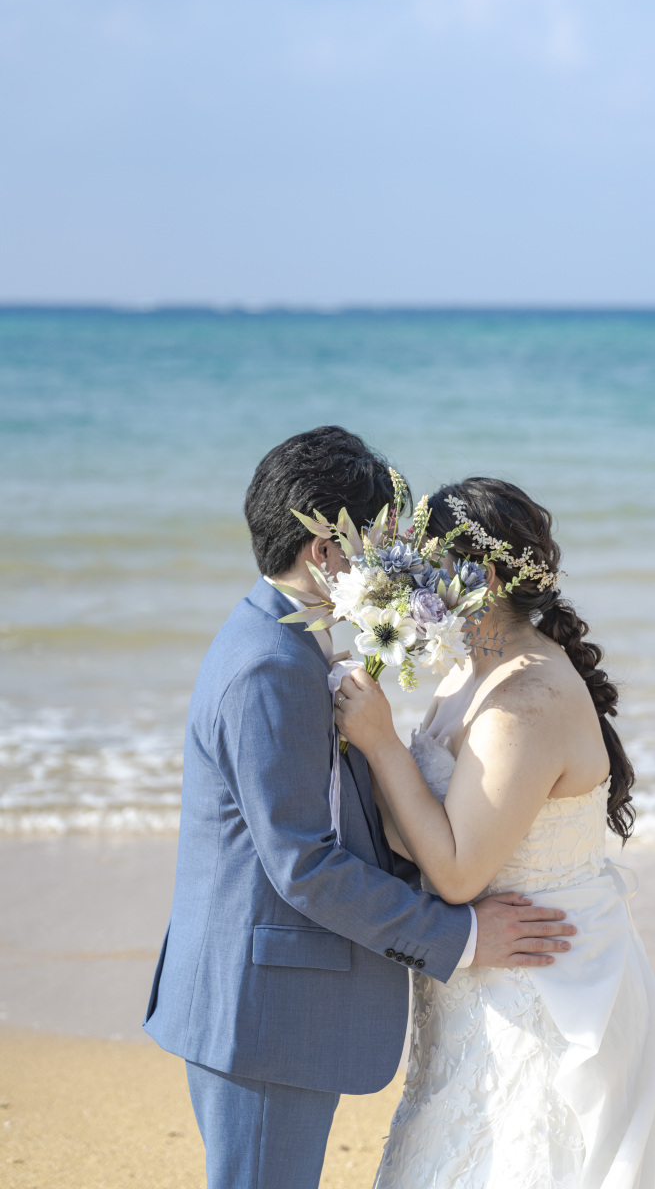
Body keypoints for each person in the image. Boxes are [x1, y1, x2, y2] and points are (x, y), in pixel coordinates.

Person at [143, 433, 576, 1189]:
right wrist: (462, 936)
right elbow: (303, 866)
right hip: (263, 1017)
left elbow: (339, 817)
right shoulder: (268, 669)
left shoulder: (289, 643)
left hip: (264, 1005)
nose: (386, 563)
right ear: (322, 552)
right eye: (372, 542)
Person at [335, 476, 655, 1189]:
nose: (411, 588)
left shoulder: (527, 701)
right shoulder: (466, 672)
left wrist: (382, 743)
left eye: (423, 571)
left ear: (479, 576)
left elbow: (456, 872)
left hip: (543, 988)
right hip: (481, 977)